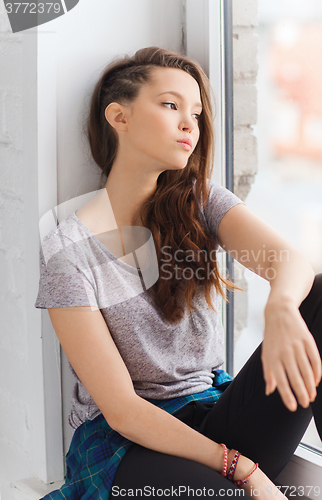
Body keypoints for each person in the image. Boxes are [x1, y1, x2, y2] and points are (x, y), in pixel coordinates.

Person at [35, 47, 322, 500]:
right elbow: (124, 410)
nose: (191, 123)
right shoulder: (68, 254)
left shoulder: (202, 201)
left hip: (213, 410)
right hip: (129, 441)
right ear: (119, 117)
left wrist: (283, 308)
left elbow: (292, 263)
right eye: (171, 105)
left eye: (196, 112)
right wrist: (241, 469)